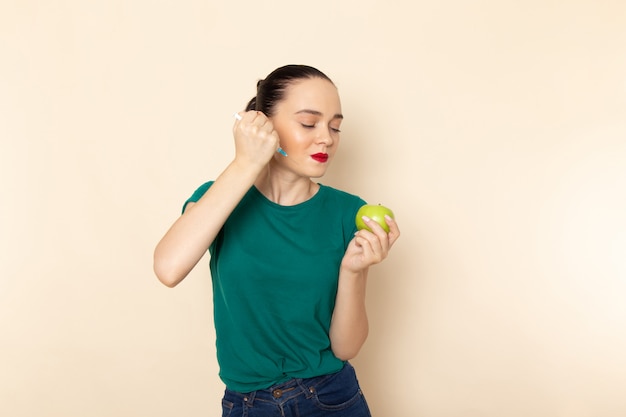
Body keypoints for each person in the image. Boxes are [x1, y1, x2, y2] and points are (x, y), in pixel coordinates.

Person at [153, 64, 400, 417]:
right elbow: (168, 268)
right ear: (263, 125)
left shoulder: (349, 213)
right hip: (249, 405)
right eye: (308, 123)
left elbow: (345, 348)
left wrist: (353, 271)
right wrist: (246, 161)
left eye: (335, 127)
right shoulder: (217, 199)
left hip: (332, 398)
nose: (327, 138)